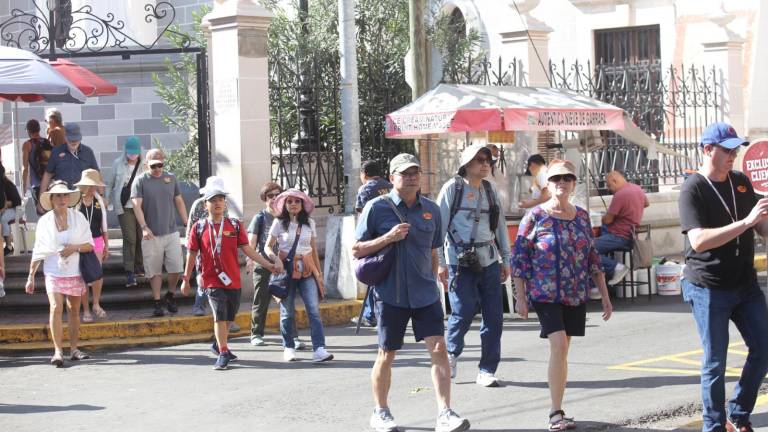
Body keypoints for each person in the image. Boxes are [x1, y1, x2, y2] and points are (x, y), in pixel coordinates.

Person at [354, 153, 470, 432]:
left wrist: (433, 280)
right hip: (390, 293)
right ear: (392, 178)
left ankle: (445, 413)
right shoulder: (375, 208)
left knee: (439, 349)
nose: (411, 177)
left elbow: (433, 250)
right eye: (405, 173)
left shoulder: (431, 209)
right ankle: (380, 411)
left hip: (424, 293)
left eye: (415, 172)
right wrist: (388, 237)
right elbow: (357, 249)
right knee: (387, 353)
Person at [678, 122, 768, 432]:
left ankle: (738, 415)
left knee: (764, 348)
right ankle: (713, 427)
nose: (733, 156)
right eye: (727, 150)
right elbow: (699, 240)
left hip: (744, 284)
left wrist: (761, 223)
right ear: (707, 150)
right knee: (715, 362)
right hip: (708, 286)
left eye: (736, 150)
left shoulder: (740, 182)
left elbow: (761, 227)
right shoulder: (693, 187)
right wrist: (747, 222)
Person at [512, 159, 612, 431]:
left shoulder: (580, 216)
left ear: (574, 184)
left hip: (575, 293)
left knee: (563, 349)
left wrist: (604, 294)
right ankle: (555, 413)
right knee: (558, 344)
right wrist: (520, 297)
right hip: (545, 293)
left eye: (567, 178)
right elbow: (519, 259)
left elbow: (593, 257)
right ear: (547, 183)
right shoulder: (534, 216)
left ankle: (559, 408)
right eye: (556, 179)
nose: (562, 183)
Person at [180, 184, 279, 370]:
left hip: (233, 279)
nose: (217, 203)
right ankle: (223, 352)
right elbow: (191, 254)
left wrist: (268, 265)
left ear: (225, 203)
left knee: (229, 316)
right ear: (205, 205)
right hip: (210, 279)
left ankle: (218, 345)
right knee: (220, 315)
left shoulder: (234, 224)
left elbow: (248, 248)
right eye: (213, 200)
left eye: (220, 200)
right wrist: (186, 279)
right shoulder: (199, 227)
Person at [436, 144, 511, 388]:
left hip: (489, 259)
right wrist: (440, 262)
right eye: (479, 159)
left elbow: (499, 228)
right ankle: (451, 354)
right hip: (460, 261)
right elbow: (439, 228)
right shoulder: (453, 189)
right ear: (466, 164)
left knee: (494, 318)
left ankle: (487, 369)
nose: (485, 164)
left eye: (488, 159)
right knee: (463, 310)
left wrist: (505, 259)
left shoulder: (490, 190)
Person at [25, 181, 94, 367]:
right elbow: (39, 249)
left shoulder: (78, 218)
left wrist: (74, 248)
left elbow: (89, 245)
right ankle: (57, 351)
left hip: (75, 271)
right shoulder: (45, 221)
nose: (62, 199)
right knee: (56, 307)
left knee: (73, 311)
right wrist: (31, 276)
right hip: (53, 271)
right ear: (52, 199)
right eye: (58, 196)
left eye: (65, 195)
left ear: (69, 198)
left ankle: (74, 349)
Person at [264, 188, 333, 363]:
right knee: (287, 312)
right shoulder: (279, 223)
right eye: (289, 201)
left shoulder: (309, 222)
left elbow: (314, 249)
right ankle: (288, 347)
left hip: (307, 270)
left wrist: (319, 274)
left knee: (313, 310)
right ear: (284, 205)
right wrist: (275, 259)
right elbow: (267, 247)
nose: (293, 204)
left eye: (297, 201)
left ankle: (319, 349)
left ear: (303, 204)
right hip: (286, 271)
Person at [246, 182, 306, 349]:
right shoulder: (260, 217)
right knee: (261, 299)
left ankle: (293, 337)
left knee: (287, 301)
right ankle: (256, 333)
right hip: (264, 264)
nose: (273, 199)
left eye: (277, 195)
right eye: (270, 196)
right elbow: (252, 243)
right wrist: (250, 261)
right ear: (265, 199)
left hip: (285, 266)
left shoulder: (288, 218)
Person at [131, 149, 188, 317]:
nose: (157, 169)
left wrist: (186, 222)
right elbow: (136, 205)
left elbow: (179, 200)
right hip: (151, 234)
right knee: (154, 270)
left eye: (160, 165)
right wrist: (143, 226)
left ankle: (170, 295)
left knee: (177, 267)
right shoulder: (140, 181)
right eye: (154, 166)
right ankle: (157, 301)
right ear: (146, 164)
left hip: (171, 231)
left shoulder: (170, 179)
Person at [591, 170, 649, 297]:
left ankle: (615, 268)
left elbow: (608, 219)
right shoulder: (637, 188)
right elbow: (646, 203)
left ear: (615, 181)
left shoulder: (620, 195)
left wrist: (598, 217)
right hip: (631, 235)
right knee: (594, 248)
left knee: (587, 250)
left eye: (609, 185)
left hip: (619, 236)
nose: (609, 188)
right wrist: (630, 211)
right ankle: (600, 284)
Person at [352, 160, 393, 328]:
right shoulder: (390, 185)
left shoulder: (365, 188)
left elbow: (363, 216)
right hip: (393, 236)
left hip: (374, 239)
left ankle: (370, 315)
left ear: (364, 174)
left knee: (371, 274)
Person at [106, 136, 146, 287]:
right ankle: (129, 270)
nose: (132, 156)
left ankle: (139, 265)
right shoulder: (118, 164)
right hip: (123, 206)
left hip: (140, 205)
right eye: (130, 153)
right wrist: (107, 199)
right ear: (125, 151)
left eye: (135, 153)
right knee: (130, 238)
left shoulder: (144, 164)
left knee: (140, 236)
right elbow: (109, 183)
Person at [187, 176, 229, 317]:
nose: (217, 202)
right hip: (202, 247)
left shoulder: (224, 206)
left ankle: (223, 314)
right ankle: (199, 305)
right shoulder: (198, 204)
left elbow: (226, 224)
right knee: (202, 277)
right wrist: (191, 246)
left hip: (219, 247)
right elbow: (190, 226)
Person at [74, 169, 109, 322]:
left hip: (97, 240)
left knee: (97, 275)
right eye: (92, 185)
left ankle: (96, 303)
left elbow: (104, 225)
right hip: (81, 242)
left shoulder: (98, 200)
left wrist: (107, 244)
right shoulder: (75, 201)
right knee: (83, 277)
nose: (95, 188)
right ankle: (86, 310)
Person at [40, 123, 100, 196]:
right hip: (62, 197)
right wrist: (42, 198)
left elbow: (96, 175)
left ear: (80, 138)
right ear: (65, 138)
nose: (74, 142)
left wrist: (102, 195)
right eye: (71, 140)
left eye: (76, 139)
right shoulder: (56, 151)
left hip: (82, 196)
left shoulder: (88, 152)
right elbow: (48, 174)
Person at [21, 119, 52, 214]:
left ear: (28, 131)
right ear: (39, 129)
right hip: (51, 184)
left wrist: (24, 187)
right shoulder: (47, 142)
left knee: (42, 214)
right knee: (51, 213)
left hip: (37, 185)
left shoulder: (27, 145)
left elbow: (25, 168)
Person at [0, 173, 21, 256]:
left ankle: (9, 246)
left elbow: (17, 201)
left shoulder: (8, 185)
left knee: (3, 218)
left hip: (15, 210)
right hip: (4, 210)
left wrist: (6, 204)